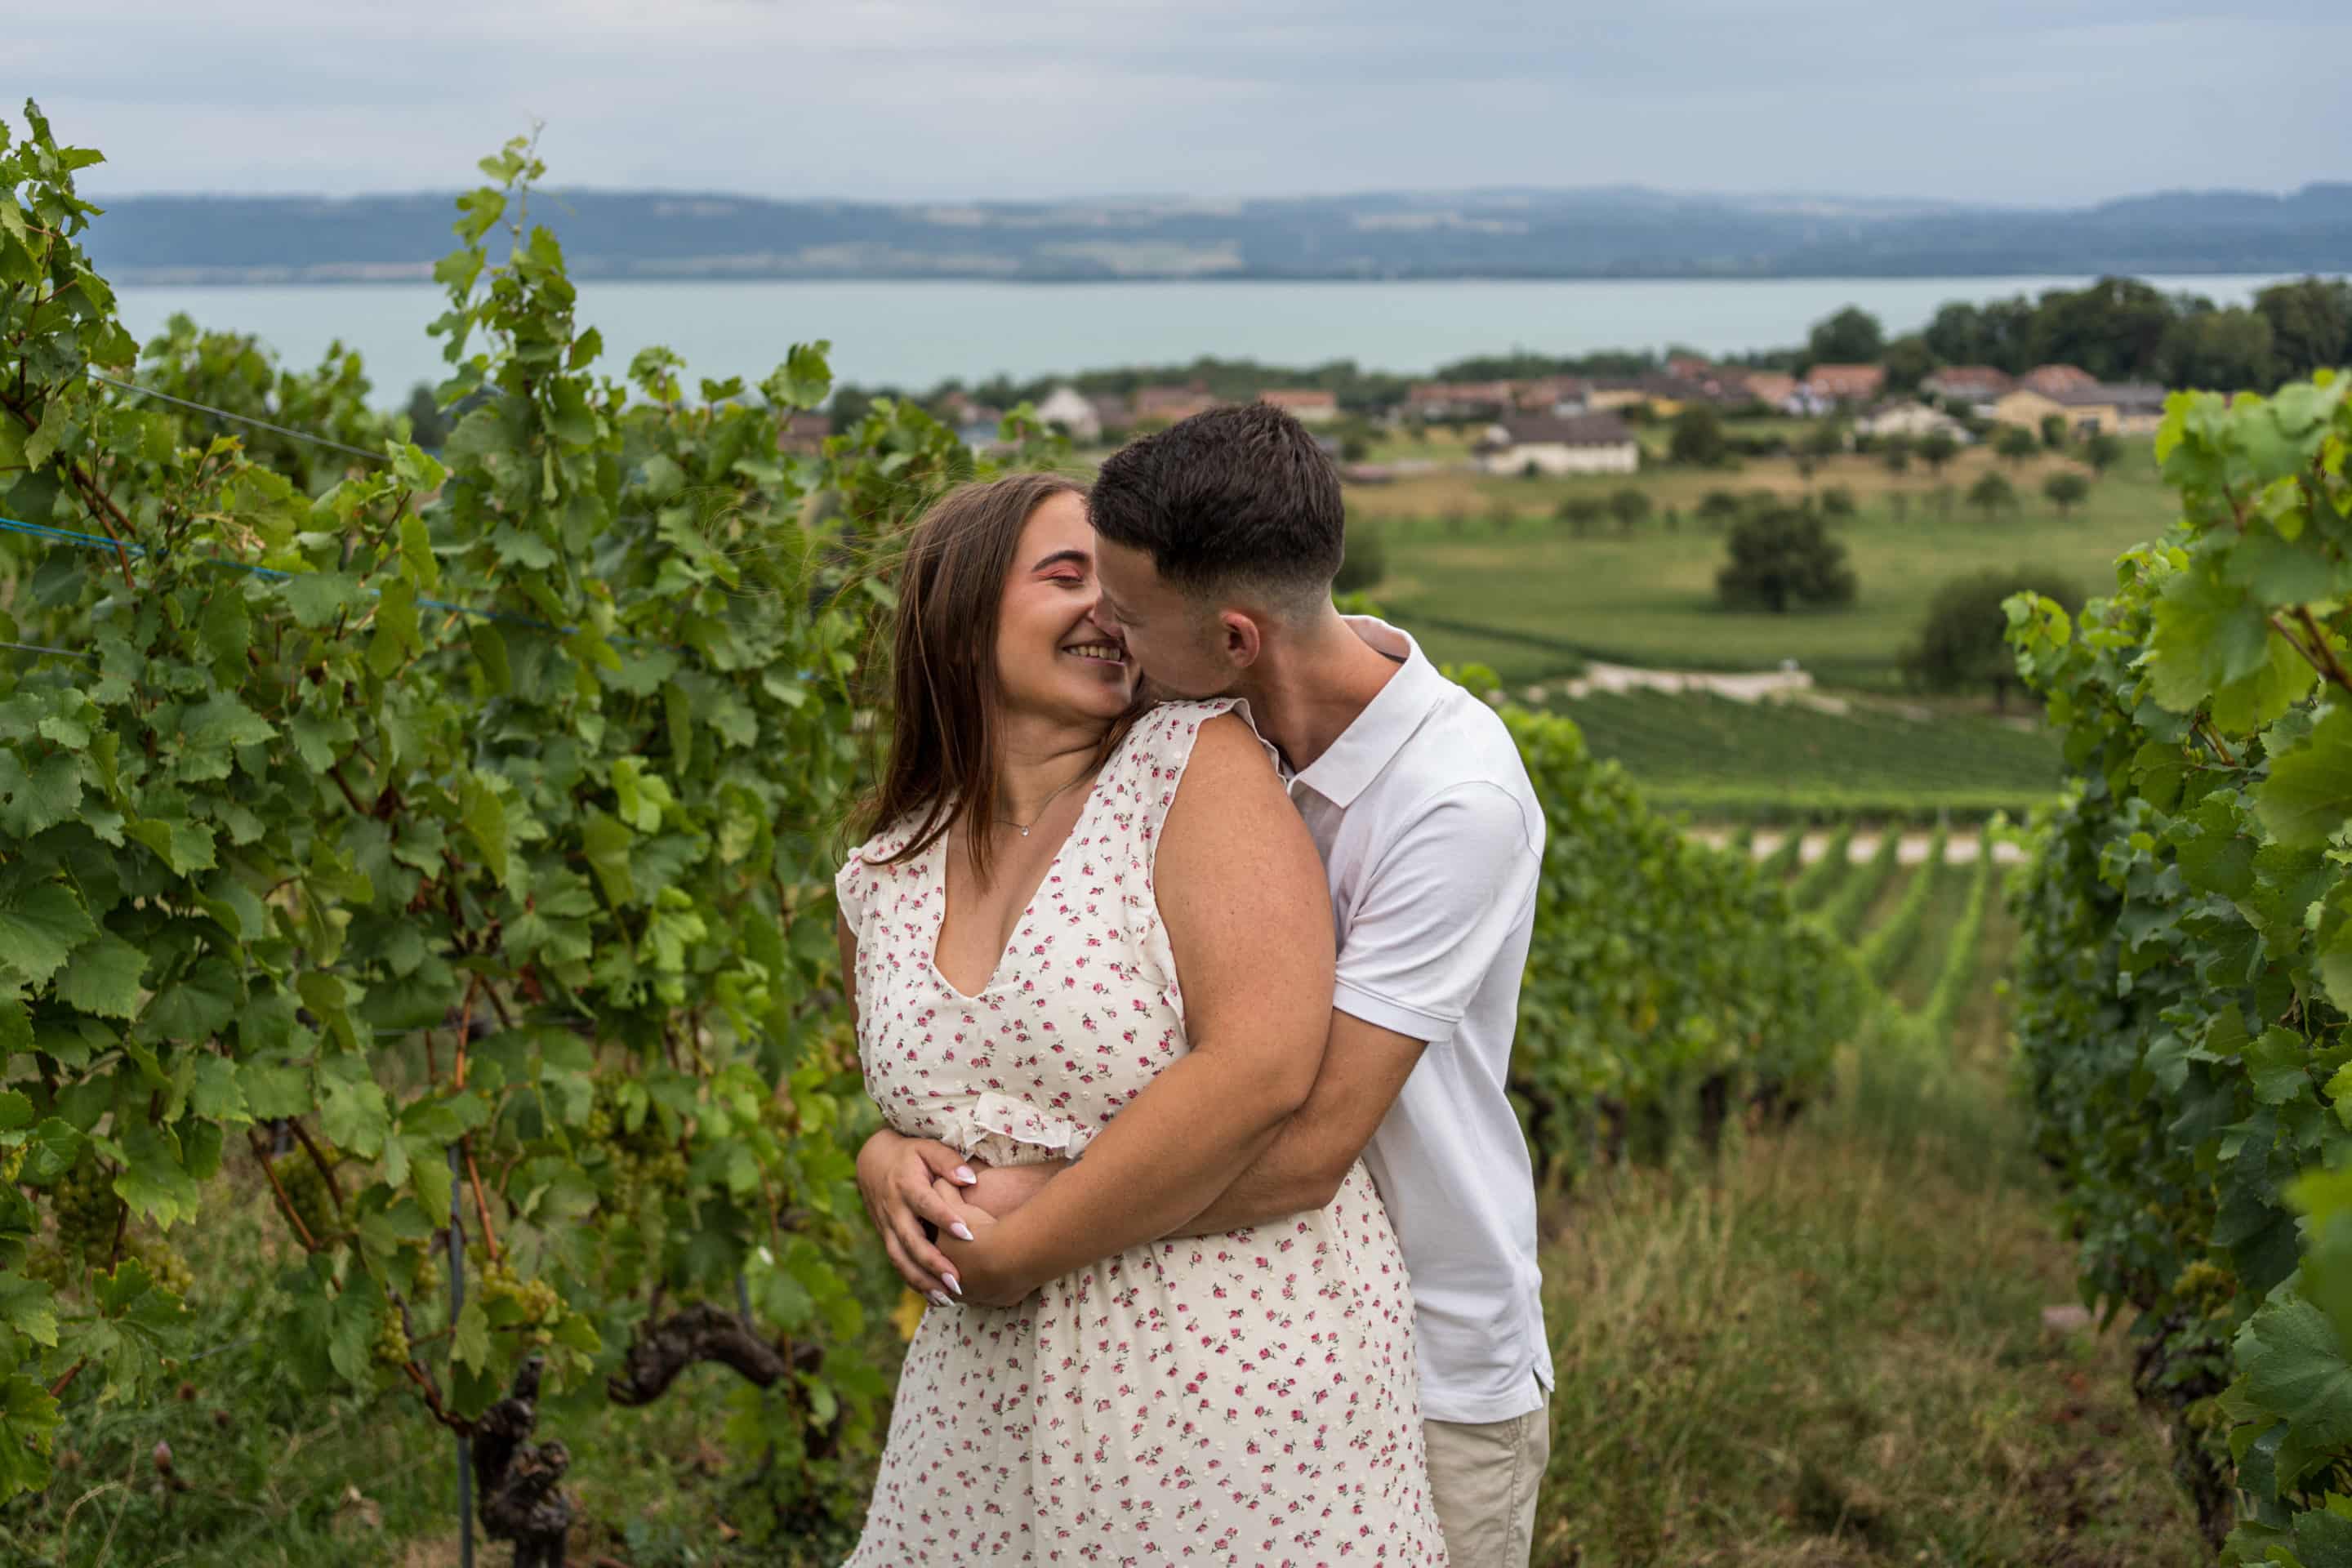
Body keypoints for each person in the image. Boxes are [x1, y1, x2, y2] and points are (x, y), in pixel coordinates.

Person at [861, 405, 1552, 1567]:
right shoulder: (1202, 726)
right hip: (1099, 1354)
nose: (1110, 629)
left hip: (1424, 1342)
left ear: (1234, 640)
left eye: (1125, 609)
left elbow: (1304, 1140)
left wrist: (1015, 1230)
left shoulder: (1452, 800)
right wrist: (888, 1155)